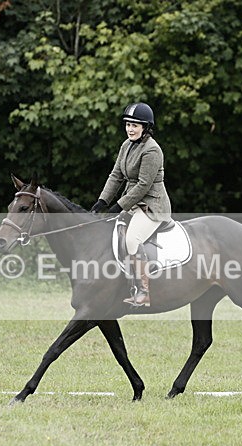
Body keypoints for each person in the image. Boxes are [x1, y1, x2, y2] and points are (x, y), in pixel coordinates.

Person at [90, 102, 172, 307]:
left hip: (152, 206)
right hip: (134, 203)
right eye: (128, 124)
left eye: (135, 125)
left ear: (146, 128)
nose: (130, 129)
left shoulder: (152, 150)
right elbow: (116, 175)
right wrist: (102, 201)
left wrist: (120, 205)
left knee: (132, 239)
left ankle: (144, 292)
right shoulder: (126, 145)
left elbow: (144, 185)